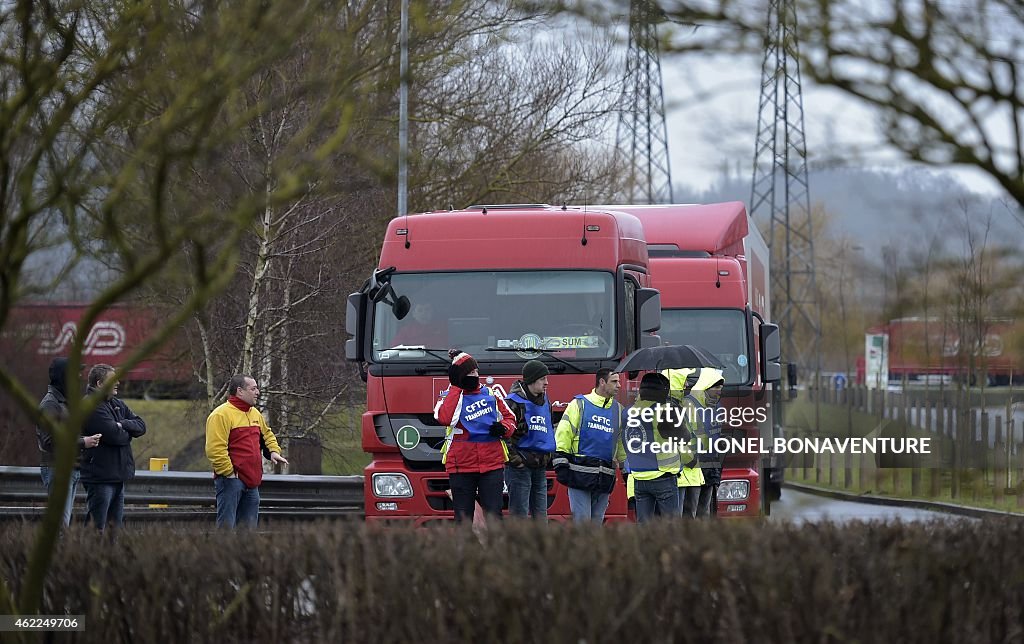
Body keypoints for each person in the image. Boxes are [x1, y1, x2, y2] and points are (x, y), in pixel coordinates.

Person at [434, 349, 516, 523]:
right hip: (461, 465)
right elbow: (444, 418)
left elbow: (511, 418)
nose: (475, 375)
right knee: (463, 518)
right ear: (459, 376)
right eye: (470, 373)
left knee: (495, 516)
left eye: (476, 371)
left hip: (492, 465)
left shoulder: (491, 394)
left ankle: (496, 550)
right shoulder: (449, 396)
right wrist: (456, 387)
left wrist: (504, 428)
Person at [205, 375, 289, 528]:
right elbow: (215, 449)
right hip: (231, 481)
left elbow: (267, 435)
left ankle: (245, 553)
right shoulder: (220, 414)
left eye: (257, 388)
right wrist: (229, 473)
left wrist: (273, 452)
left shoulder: (255, 413)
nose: (258, 392)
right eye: (253, 388)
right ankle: (221, 553)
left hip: (252, 482)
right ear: (240, 391)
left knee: (248, 533)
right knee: (226, 530)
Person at [79, 364, 146, 530]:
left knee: (113, 530)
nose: (118, 383)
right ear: (100, 383)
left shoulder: (117, 403)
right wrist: (127, 432)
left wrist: (122, 424)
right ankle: (86, 556)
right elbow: (114, 435)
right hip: (100, 477)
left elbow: (141, 426)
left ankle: (109, 556)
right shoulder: (91, 405)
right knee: (96, 529)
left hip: (117, 476)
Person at [553, 368, 624, 523]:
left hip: (605, 476)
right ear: (602, 382)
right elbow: (564, 434)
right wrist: (561, 464)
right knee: (583, 524)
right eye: (614, 381)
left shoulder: (619, 410)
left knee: (597, 524)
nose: (619, 385)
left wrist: (626, 469)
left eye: (619, 381)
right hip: (579, 474)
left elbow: (621, 443)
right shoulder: (579, 404)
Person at [37, 357, 101, 527]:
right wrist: (83, 442)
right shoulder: (50, 405)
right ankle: (56, 553)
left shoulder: (65, 402)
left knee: (64, 522)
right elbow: (49, 442)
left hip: (70, 468)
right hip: (57, 470)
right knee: (60, 524)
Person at [621, 373, 688, 522]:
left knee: (644, 527)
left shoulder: (627, 411)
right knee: (671, 527)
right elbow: (684, 438)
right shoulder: (666, 410)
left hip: (638, 476)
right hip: (662, 476)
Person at [504, 360, 555, 520]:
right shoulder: (513, 402)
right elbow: (504, 436)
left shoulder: (546, 401)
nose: (547, 383)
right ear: (532, 380)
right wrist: (517, 461)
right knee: (519, 516)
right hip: (520, 468)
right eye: (543, 379)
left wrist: (548, 457)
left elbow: (548, 429)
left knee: (541, 518)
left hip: (540, 467)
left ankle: (540, 546)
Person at [690, 368, 726, 518]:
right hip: (694, 467)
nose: (719, 391)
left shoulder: (717, 407)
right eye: (716, 387)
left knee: (704, 512)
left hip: (711, 465)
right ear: (706, 386)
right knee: (690, 512)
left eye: (721, 388)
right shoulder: (690, 405)